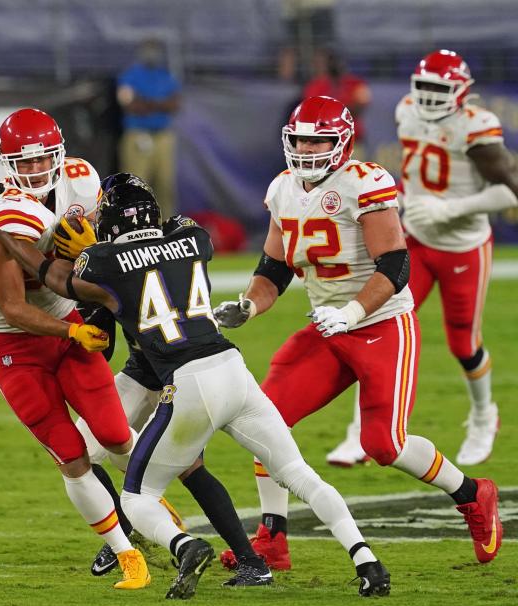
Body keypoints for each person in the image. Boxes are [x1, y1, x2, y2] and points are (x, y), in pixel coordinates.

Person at [0, 181, 390, 599]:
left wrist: (2, 227)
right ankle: (366, 560)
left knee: (139, 497)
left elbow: (52, 276)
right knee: (298, 474)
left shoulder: (103, 260)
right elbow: (174, 241)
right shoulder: (193, 238)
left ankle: (186, 546)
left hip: (185, 380)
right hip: (229, 368)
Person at [212, 96, 501, 571]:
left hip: (380, 323)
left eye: (317, 140)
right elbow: (273, 269)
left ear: (341, 142)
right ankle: (272, 540)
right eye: (300, 138)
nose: (306, 149)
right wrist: (248, 305)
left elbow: (395, 264)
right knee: (264, 421)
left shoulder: (364, 183)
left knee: (384, 445)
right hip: (328, 326)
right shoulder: (283, 188)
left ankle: (473, 494)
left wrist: (350, 311)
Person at [0, 108, 150, 590]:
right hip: (16, 343)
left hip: (70, 315)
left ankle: (167, 524)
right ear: (5, 165)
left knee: (115, 433)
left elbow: (114, 248)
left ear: (60, 153)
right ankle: (125, 551)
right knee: (70, 453)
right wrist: (71, 329)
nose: (35, 171)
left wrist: (95, 253)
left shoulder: (82, 182)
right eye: (23, 164)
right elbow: (13, 309)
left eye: (44, 159)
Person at [67, 174, 275, 585]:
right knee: (81, 448)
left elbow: (98, 315)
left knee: (189, 466)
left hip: (180, 370)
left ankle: (252, 560)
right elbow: (192, 236)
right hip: (147, 370)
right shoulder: (185, 237)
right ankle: (125, 528)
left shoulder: (108, 260)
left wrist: (82, 257)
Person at [328, 50, 518, 468]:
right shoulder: (407, 111)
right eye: (425, 87)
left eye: (440, 88)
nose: (430, 96)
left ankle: (485, 416)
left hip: (462, 246)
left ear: (462, 92)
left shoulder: (476, 126)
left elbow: (510, 190)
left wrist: (448, 209)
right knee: (378, 325)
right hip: (414, 239)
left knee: (463, 342)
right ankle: (359, 432)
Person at [116, 38, 181, 217]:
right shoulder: (130, 75)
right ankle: (133, 228)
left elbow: (175, 104)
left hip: (163, 136)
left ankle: (167, 227)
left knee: (166, 184)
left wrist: (146, 102)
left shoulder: (166, 75)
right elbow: (130, 104)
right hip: (138, 135)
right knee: (135, 185)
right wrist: (160, 104)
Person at [301, 49, 371, 146]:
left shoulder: (355, 82)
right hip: (324, 140)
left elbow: (362, 103)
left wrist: (333, 111)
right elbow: (313, 111)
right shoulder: (314, 85)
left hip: (352, 138)